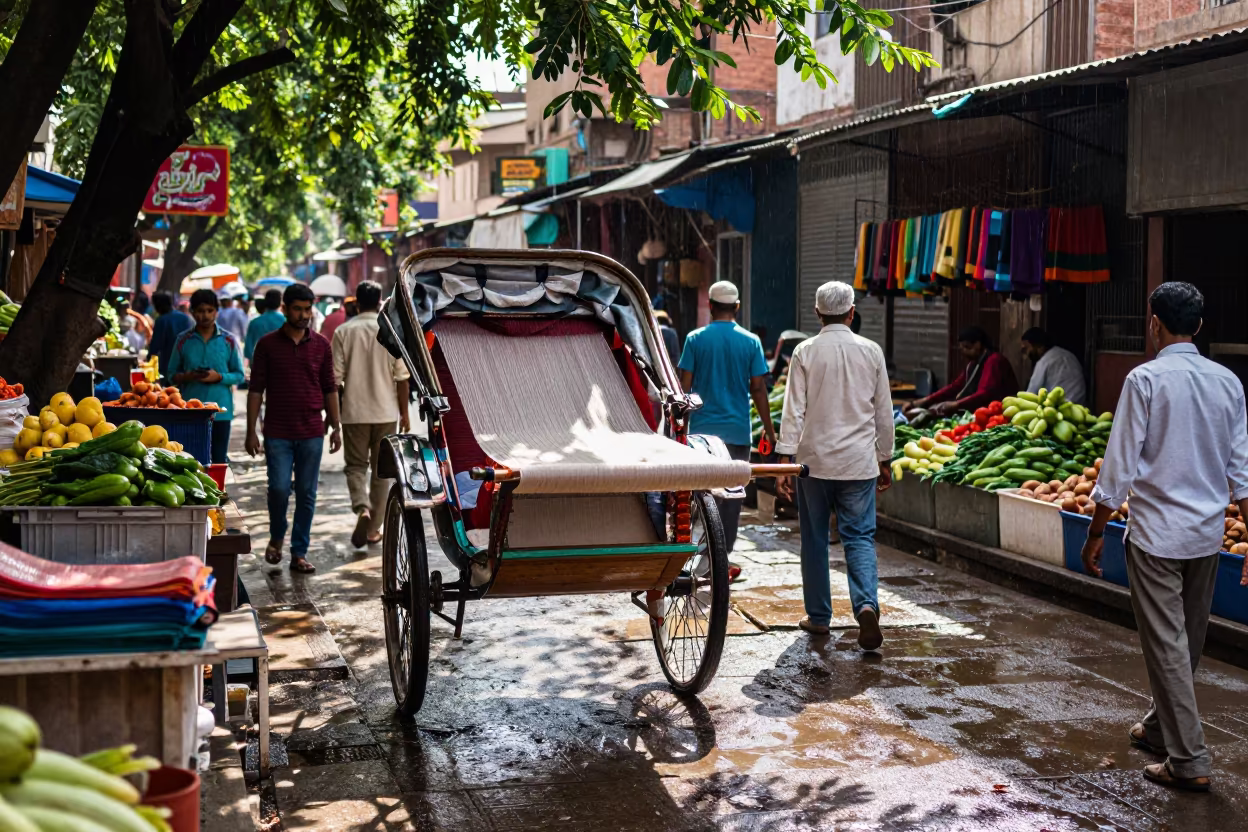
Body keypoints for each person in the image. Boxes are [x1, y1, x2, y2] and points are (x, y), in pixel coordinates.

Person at [1082, 282, 1248, 793]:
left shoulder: (1145, 379)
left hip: (1155, 536)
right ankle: (1158, 728)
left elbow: (1117, 468)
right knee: (1187, 643)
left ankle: (1189, 759)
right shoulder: (1228, 382)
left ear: (1154, 322)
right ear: (1197, 326)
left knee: (1169, 647)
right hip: (1206, 535)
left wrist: (1095, 531)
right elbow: (1242, 471)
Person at [775, 282, 894, 649]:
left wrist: (784, 458)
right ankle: (866, 606)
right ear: (852, 312)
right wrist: (885, 457)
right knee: (859, 537)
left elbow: (793, 409)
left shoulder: (805, 351)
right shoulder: (871, 351)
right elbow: (883, 413)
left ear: (817, 313)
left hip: (815, 463)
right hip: (859, 463)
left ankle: (819, 617)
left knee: (813, 538)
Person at [246, 283, 342, 575]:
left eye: (307, 309)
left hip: (312, 430)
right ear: (285, 309)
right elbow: (255, 390)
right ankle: (277, 535)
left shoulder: (322, 345)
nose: (303, 315)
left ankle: (298, 552)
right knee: (277, 488)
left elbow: (330, 388)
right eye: (297, 309)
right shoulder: (267, 344)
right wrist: (252, 430)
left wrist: (335, 426)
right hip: (277, 431)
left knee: (306, 493)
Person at [677, 281, 775, 558]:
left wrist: (679, 431)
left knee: (703, 497)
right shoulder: (751, 341)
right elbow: (758, 388)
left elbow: (685, 389)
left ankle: (701, 554)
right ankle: (722, 557)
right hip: (737, 433)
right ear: (737, 307)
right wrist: (769, 430)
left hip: (702, 434)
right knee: (732, 500)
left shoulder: (695, 339)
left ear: (710, 306)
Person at [332, 281, 411, 548]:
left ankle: (361, 508)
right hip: (386, 412)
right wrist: (405, 413)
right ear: (380, 301)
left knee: (355, 467)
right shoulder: (390, 332)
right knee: (381, 472)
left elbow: (335, 379)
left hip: (353, 413)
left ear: (356, 302)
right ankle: (373, 529)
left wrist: (332, 417)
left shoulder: (343, 331)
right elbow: (402, 378)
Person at [167, 289, 245, 464]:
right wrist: (188, 376)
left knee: (218, 461)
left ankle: (218, 491)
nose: (205, 316)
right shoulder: (182, 340)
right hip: (189, 411)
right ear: (192, 312)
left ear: (216, 312)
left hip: (221, 412)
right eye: (201, 311)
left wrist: (219, 377)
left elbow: (239, 375)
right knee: (191, 461)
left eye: (210, 311)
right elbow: (171, 375)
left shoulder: (229, 340)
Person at [906, 326, 1018, 417]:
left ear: (978, 345)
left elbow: (985, 393)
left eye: (966, 347)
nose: (964, 352)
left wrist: (956, 405)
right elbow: (956, 386)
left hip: (999, 414)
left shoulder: (994, 360)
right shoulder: (974, 364)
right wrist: (925, 401)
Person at [1022, 327, 1087, 405]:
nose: (1026, 353)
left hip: (1061, 408)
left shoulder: (1044, 361)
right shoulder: (1069, 355)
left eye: (1026, 348)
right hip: (1080, 405)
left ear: (1039, 346)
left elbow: (1031, 393)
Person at [147, 291, 193, 380]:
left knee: (169, 391)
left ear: (158, 305)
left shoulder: (161, 320)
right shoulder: (185, 318)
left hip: (168, 364)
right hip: (187, 363)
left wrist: (148, 358)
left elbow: (155, 346)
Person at [245, 290, 285, 364]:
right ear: (280, 303)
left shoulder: (254, 323)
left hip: (260, 364)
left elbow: (248, 350)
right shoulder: (286, 322)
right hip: (283, 363)